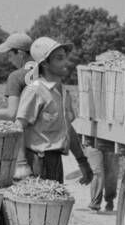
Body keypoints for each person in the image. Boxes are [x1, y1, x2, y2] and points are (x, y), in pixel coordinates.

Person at [13, 38, 94, 186]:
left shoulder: (62, 92)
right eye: (59, 58)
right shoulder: (35, 90)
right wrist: (22, 163)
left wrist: (82, 162)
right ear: (44, 63)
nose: (65, 63)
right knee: (40, 208)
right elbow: (19, 127)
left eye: (65, 57)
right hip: (37, 163)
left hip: (55, 162)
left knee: (56, 206)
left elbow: (67, 129)